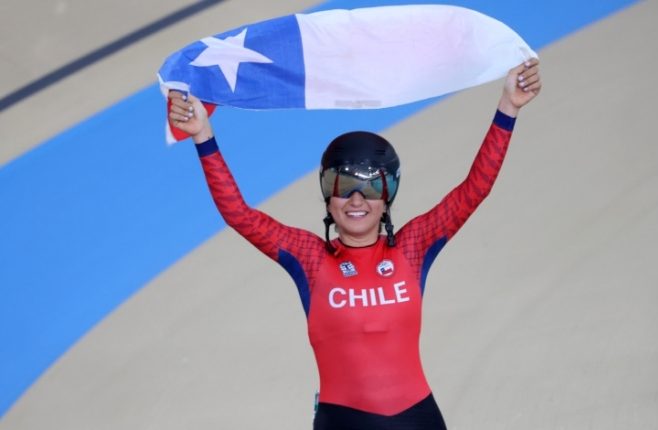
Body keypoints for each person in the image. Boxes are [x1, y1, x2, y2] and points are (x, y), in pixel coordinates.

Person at [167, 58, 541, 429]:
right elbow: (239, 215)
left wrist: (508, 108)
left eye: (372, 186)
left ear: (387, 197)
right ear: (328, 197)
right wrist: (203, 136)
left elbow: (474, 189)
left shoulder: (413, 247)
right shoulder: (310, 257)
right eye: (344, 187)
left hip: (418, 419)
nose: (357, 200)